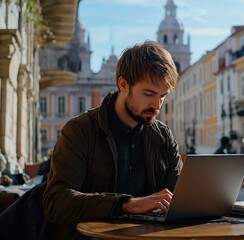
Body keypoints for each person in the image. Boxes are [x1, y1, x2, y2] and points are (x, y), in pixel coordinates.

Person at [43, 40, 183, 239]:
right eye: (149, 93)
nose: (156, 105)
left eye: (163, 96)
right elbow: (56, 203)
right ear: (123, 84)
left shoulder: (162, 136)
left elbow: (180, 198)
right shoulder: (80, 130)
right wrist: (126, 204)